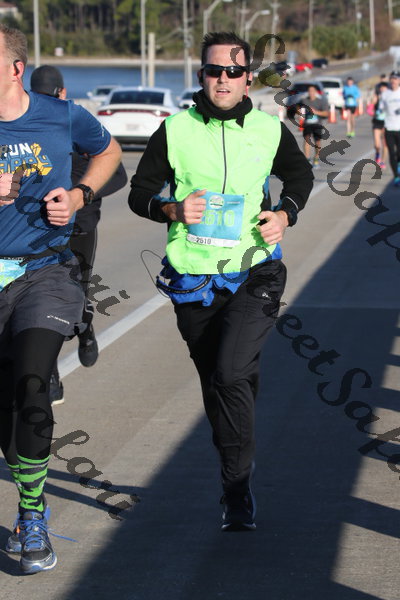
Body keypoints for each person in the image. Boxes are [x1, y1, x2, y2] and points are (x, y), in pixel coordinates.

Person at [129, 31, 313, 531]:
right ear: (202, 76)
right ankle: (235, 465)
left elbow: (299, 178)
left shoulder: (269, 129)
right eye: (215, 71)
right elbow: (139, 192)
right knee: (221, 382)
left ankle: (236, 490)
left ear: (249, 77)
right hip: (193, 278)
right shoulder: (175, 129)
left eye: (234, 71)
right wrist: (171, 208)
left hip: (256, 270)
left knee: (230, 374)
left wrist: (285, 215)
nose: (224, 79)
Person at [0, 24, 121, 574]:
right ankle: (28, 482)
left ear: (16, 68)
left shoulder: (61, 115)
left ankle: (31, 516)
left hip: (43, 272)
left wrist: (78, 194)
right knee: (9, 418)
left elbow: (109, 151)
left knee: (33, 383)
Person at [30, 65, 128, 405]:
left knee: (76, 294)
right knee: (43, 303)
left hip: (81, 226)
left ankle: (85, 326)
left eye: (50, 97)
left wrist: (83, 194)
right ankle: (51, 375)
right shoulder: (25, 128)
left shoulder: (80, 126)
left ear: (62, 94)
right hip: (40, 233)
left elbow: (118, 175)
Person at [300, 84, 329, 168]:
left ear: (316, 92)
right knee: (307, 140)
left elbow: (326, 113)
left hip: (317, 124)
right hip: (307, 124)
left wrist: (316, 112)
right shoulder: (304, 101)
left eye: (312, 91)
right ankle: (307, 159)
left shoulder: (320, 101)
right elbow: (298, 109)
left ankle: (316, 159)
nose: (311, 93)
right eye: (309, 91)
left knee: (317, 142)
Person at [381, 71, 400, 185]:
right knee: (392, 153)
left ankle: (399, 164)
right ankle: (396, 176)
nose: (393, 80)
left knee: (399, 153)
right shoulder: (385, 94)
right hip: (389, 128)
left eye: (396, 78)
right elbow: (381, 110)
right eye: (392, 78)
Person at [370, 81, 388, 169]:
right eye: (381, 87)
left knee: (385, 144)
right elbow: (370, 108)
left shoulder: (389, 98)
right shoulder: (376, 97)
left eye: (385, 87)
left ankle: (383, 161)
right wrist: (372, 112)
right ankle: (377, 154)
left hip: (387, 123)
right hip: (377, 122)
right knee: (377, 145)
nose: (383, 89)